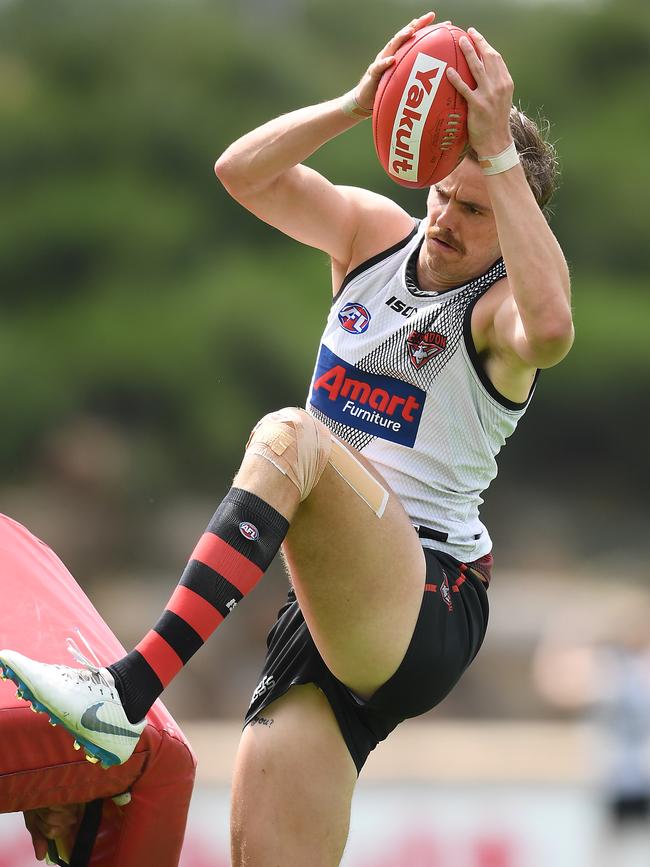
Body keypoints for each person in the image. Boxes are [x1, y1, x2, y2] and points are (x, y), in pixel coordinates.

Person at [0, 11, 574, 866]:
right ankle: (124, 706)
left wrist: (499, 154)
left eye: (478, 208)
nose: (449, 218)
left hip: (427, 598)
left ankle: (126, 691)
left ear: (513, 214)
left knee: (293, 437)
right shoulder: (373, 236)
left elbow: (555, 327)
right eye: (444, 194)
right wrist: (353, 103)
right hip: (335, 605)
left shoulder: (498, 309)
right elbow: (241, 172)